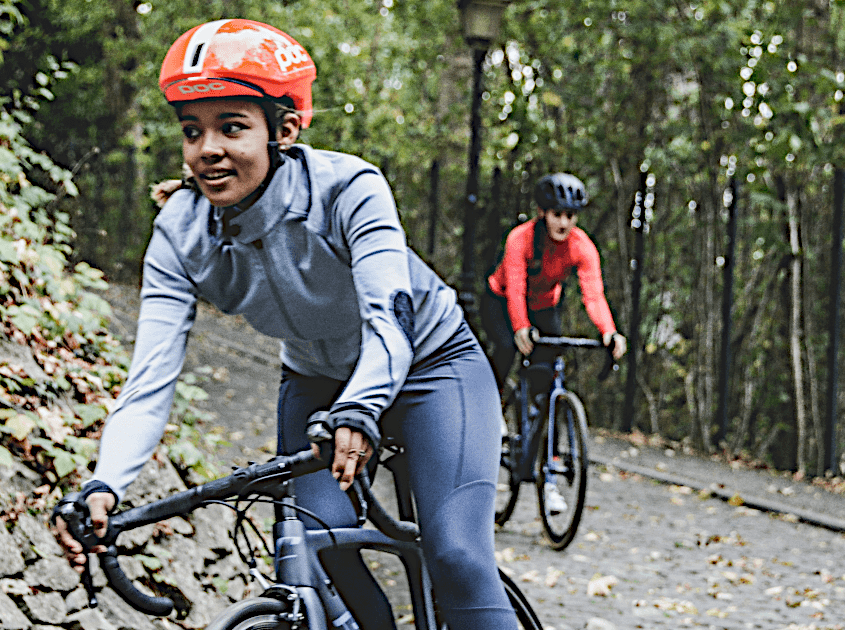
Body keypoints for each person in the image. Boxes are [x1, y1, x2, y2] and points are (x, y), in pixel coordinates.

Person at [52, 19, 515, 630]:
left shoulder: (350, 189)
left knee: (455, 554)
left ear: (285, 130)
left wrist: (363, 408)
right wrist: (105, 481)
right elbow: (150, 379)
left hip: (433, 366)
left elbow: (391, 323)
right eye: (193, 132)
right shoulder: (181, 233)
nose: (207, 149)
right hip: (318, 381)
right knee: (312, 559)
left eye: (232, 127)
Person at [482, 173, 627, 512]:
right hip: (502, 300)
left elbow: (593, 294)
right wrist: (520, 327)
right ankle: (493, 409)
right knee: (505, 348)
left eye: (570, 215)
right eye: (556, 214)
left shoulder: (581, 246)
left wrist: (608, 330)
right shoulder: (521, 239)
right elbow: (515, 287)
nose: (563, 222)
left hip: (545, 305)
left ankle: (548, 478)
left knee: (547, 389)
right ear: (543, 212)